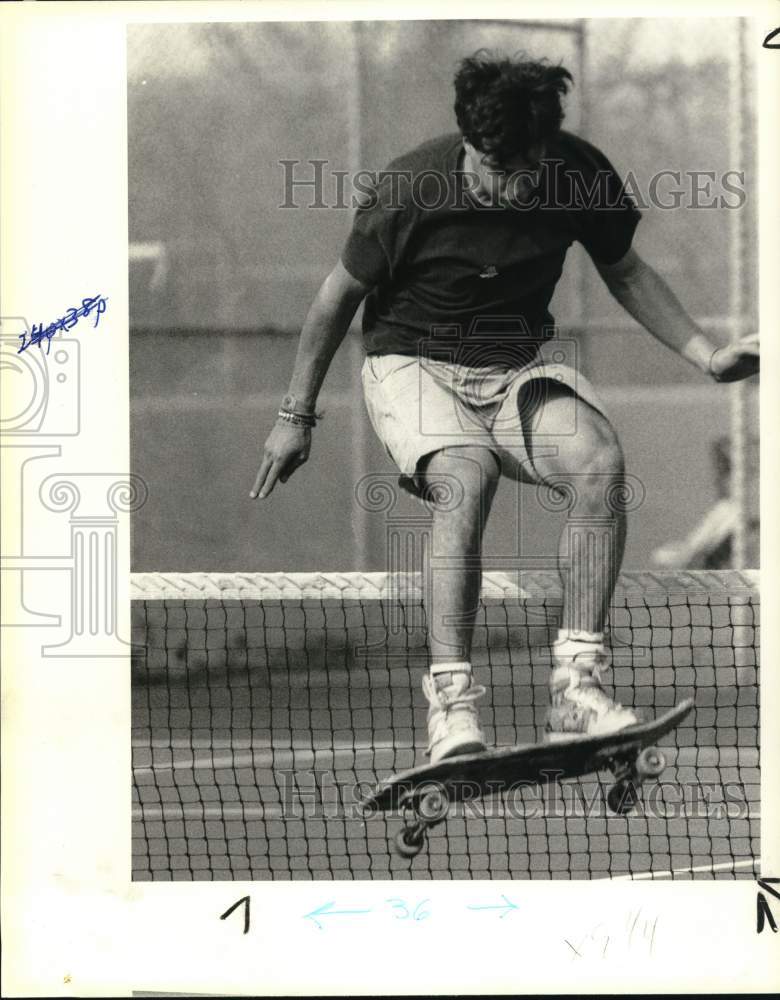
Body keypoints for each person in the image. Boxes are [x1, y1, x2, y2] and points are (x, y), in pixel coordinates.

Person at [250, 52, 759, 763]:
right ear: (469, 143)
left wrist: (708, 356)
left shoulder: (580, 175)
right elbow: (337, 299)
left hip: (512, 368)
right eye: (493, 169)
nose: (508, 185)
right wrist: (294, 416)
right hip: (411, 362)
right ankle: (452, 708)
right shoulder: (409, 187)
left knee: (598, 460)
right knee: (466, 472)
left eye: (523, 169)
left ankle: (576, 692)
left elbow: (628, 272)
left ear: (547, 148)